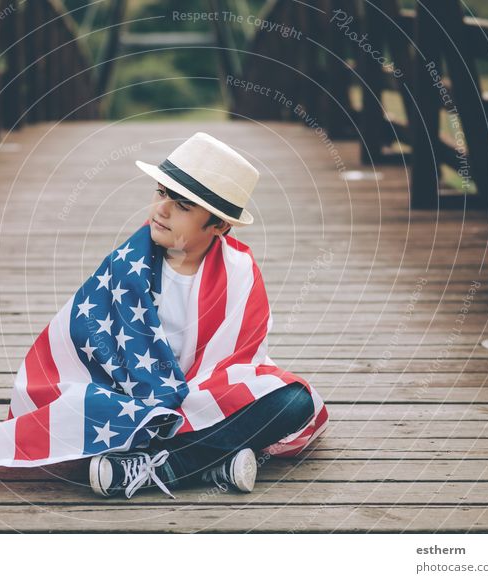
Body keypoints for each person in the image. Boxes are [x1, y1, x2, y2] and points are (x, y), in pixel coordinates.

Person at [89, 132, 327, 499]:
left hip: (209, 391)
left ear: (219, 226)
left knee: (297, 401)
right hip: (137, 395)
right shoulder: (127, 267)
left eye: (183, 206)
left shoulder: (239, 272)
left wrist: (198, 395)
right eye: (160, 192)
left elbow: (243, 358)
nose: (162, 210)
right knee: (86, 409)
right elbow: (93, 342)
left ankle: (168, 465)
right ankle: (213, 463)